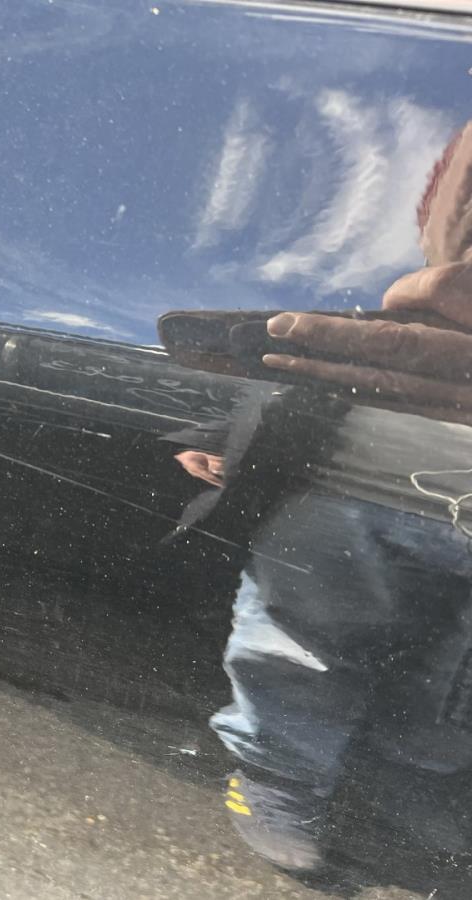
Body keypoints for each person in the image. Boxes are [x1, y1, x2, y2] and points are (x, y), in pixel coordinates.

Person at [177, 122, 472, 873]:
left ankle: (408, 771)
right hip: (352, 481)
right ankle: (279, 778)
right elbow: (434, 241)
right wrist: (219, 430)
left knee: (455, 674)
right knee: (299, 643)